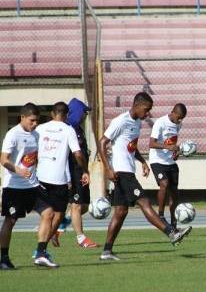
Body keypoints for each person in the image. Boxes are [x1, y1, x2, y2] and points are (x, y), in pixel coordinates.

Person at [98, 92, 191, 261]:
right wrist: (107, 168)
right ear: (137, 105)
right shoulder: (120, 121)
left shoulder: (136, 123)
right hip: (121, 172)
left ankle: (106, 251)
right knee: (144, 201)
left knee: (120, 212)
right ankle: (171, 233)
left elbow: (130, 147)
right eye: (146, 110)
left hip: (127, 170)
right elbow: (102, 142)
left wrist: (142, 162)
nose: (148, 114)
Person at [33, 102, 91, 267]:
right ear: (66, 115)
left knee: (47, 215)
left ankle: (40, 250)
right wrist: (85, 170)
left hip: (40, 178)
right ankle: (40, 250)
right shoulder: (68, 130)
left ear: (52, 113)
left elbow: (31, 148)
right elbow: (78, 154)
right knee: (56, 215)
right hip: (58, 179)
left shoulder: (40, 128)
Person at [50, 98, 99, 248]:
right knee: (76, 206)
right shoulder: (67, 128)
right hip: (73, 173)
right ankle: (81, 239)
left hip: (81, 172)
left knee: (83, 206)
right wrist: (68, 177)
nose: (85, 115)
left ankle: (61, 224)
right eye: (84, 112)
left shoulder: (78, 128)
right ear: (77, 112)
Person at [0, 103, 40, 270]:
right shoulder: (12, 134)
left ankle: (42, 252)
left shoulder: (36, 134)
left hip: (33, 185)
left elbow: (34, 158)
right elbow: (3, 159)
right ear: (22, 117)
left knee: (50, 211)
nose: (35, 123)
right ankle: (3, 258)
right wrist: (18, 170)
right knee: (11, 220)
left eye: (37, 120)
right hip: (14, 187)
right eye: (32, 120)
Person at [149, 103, 187, 228]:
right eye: (179, 117)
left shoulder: (178, 124)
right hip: (157, 161)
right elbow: (152, 143)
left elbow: (172, 141)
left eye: (182, 118)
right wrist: (168, 147)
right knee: (164, 183)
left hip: (170, 162)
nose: (180, 120)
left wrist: (175, 152)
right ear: (174, 112)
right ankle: (160, 215)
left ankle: (174, 222)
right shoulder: (160, 123)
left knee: (174, 193)